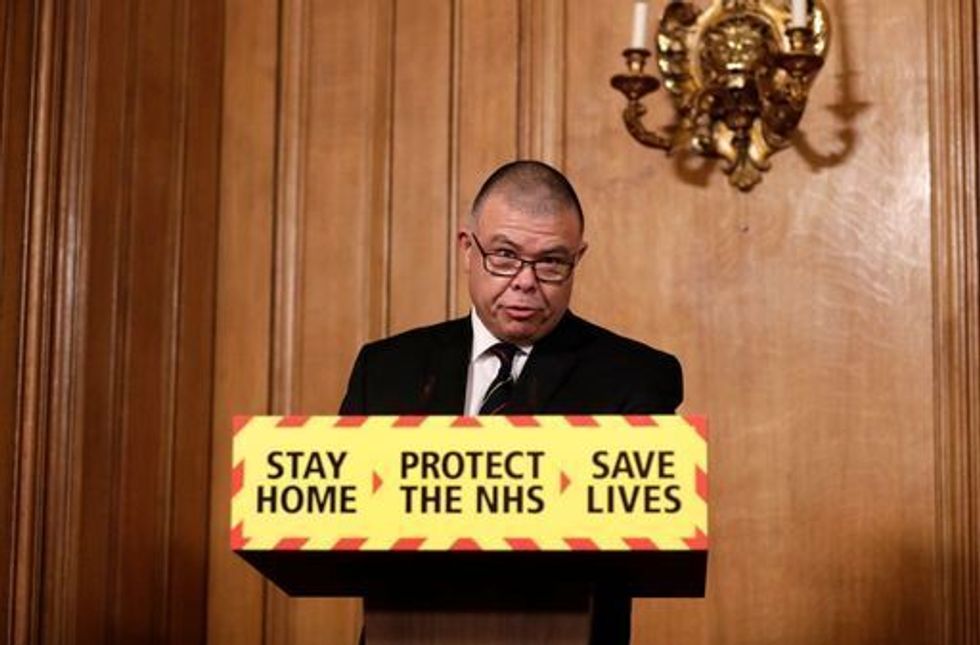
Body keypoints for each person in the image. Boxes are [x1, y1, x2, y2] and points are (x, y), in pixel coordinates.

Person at [340, 159, 683, 644]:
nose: (525, 280)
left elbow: (646, 534)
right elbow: (342, 520)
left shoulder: (636, 378)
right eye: (504, 255)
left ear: (576, 260)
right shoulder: (386, 368)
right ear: (467, 249)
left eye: (551, 262)